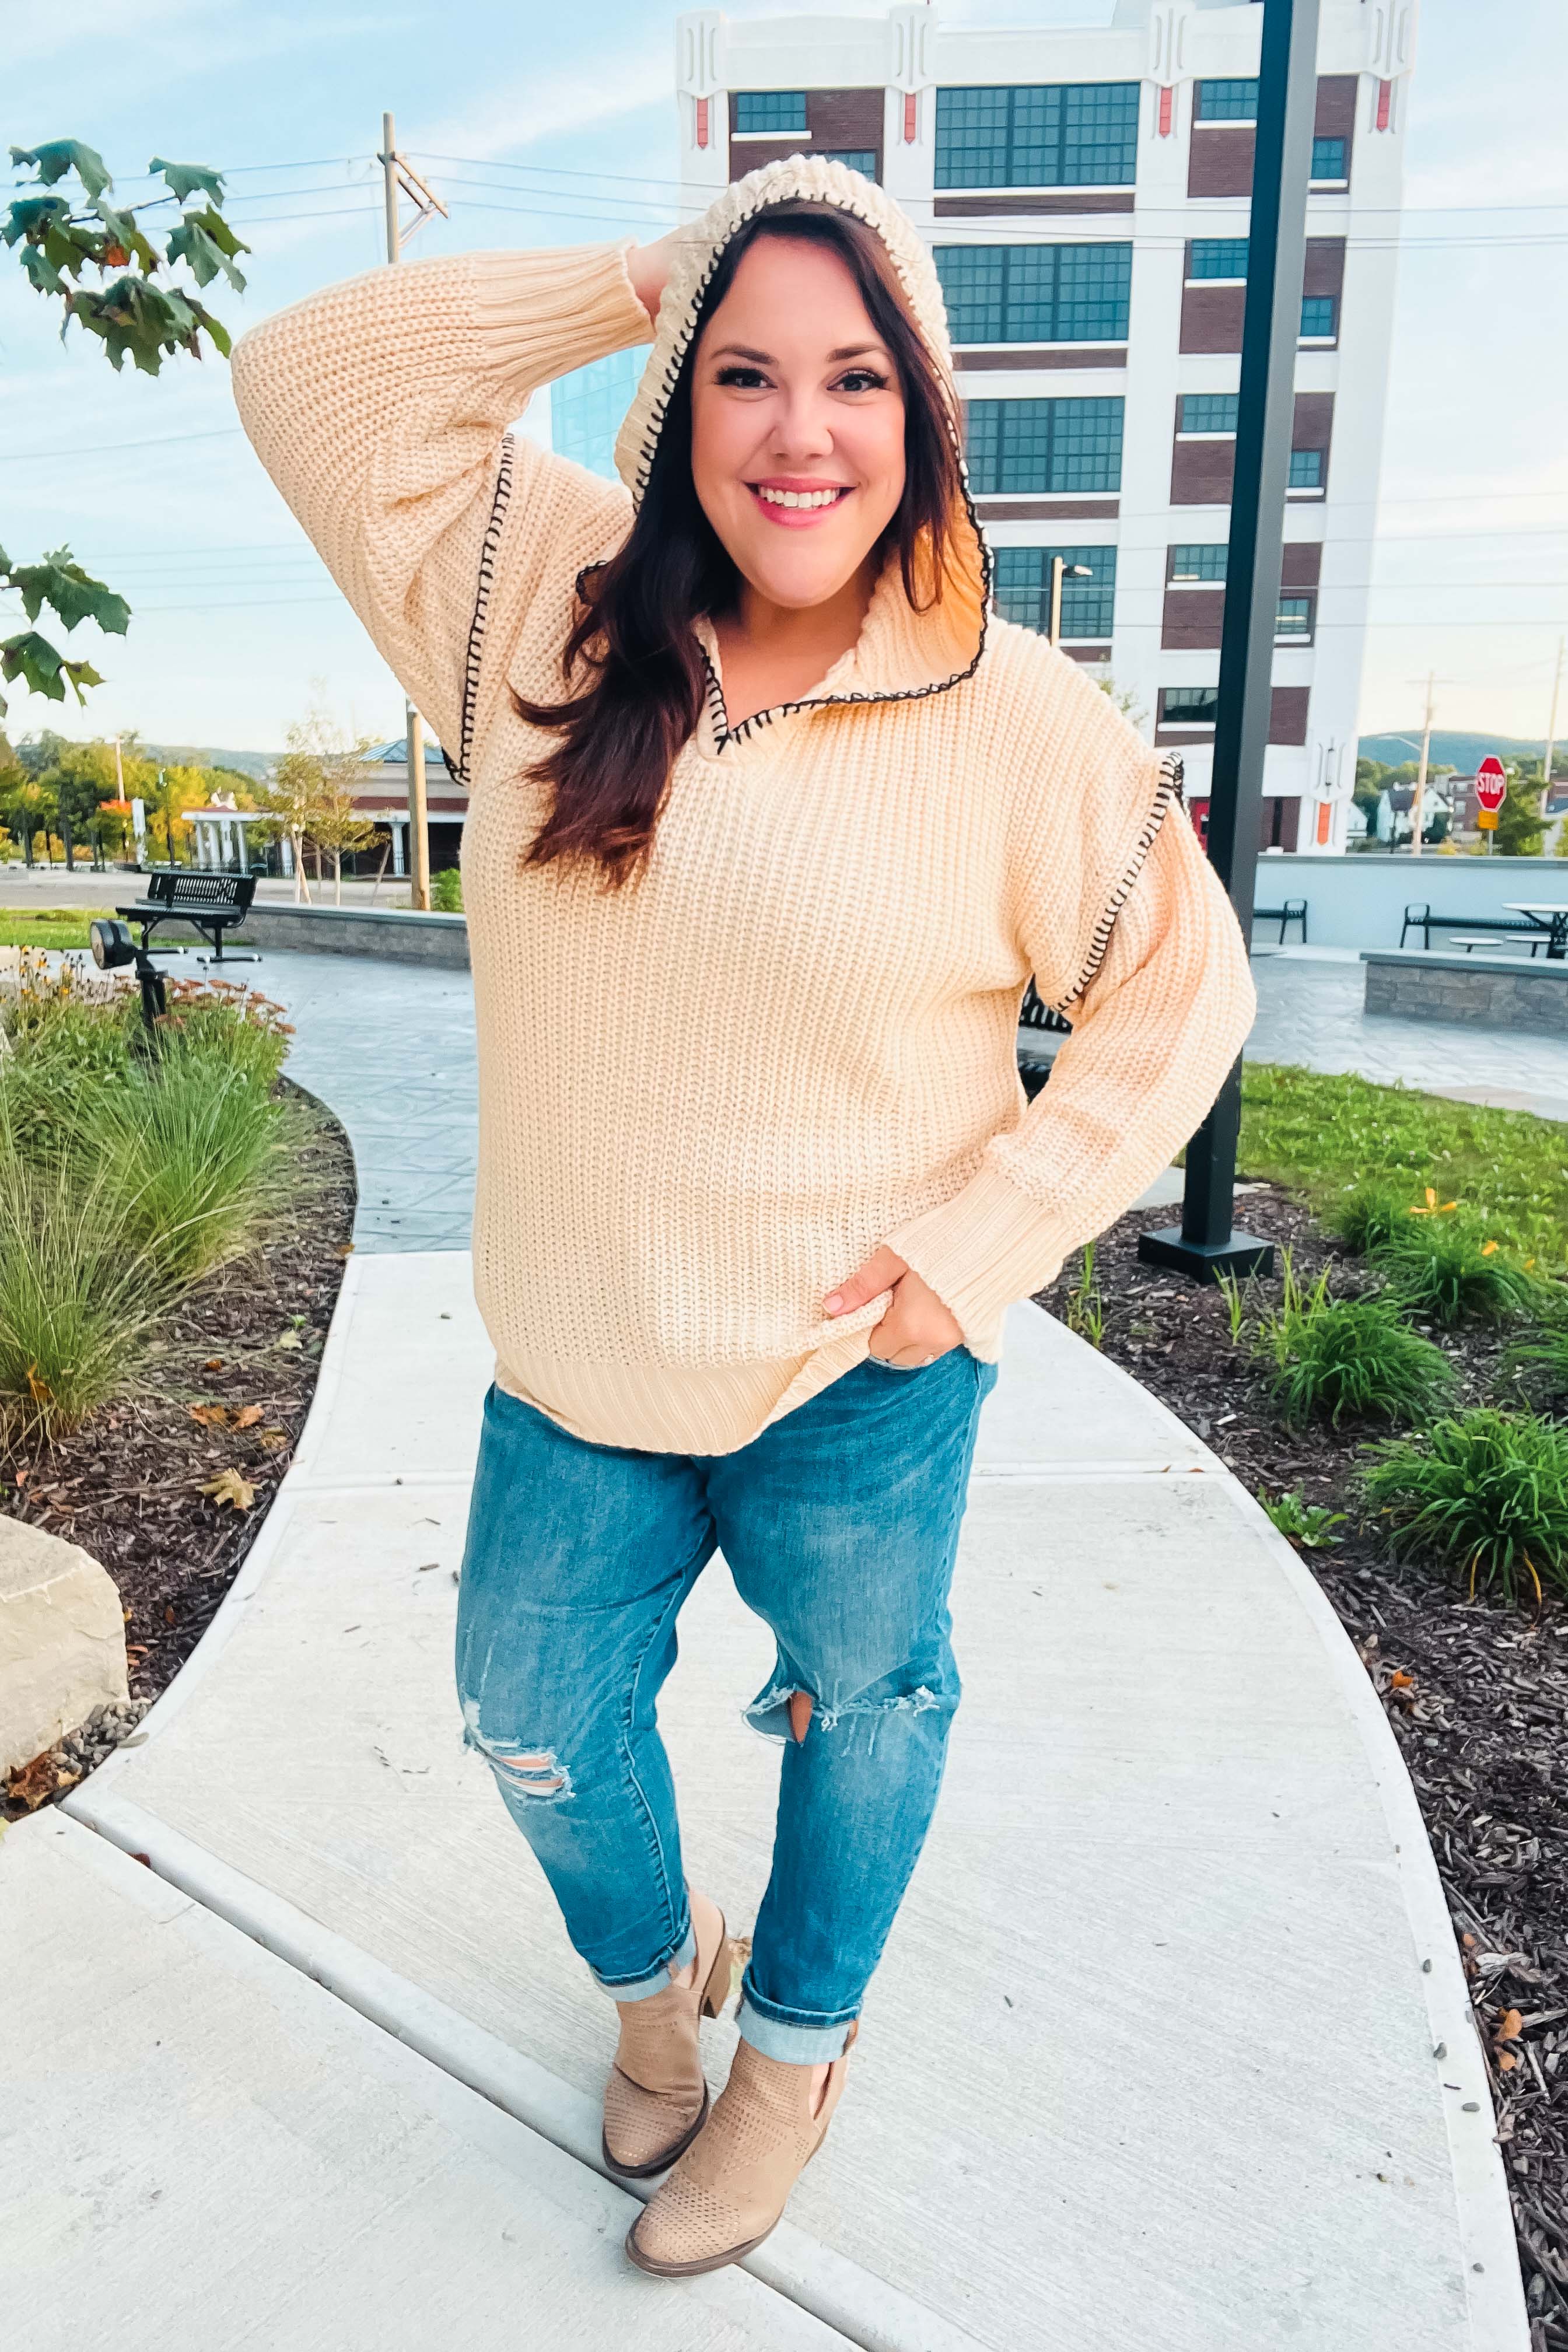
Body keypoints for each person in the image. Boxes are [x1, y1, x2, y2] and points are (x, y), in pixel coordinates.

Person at [232, 156, 1254, 2280]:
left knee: (868, 1707)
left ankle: (791, 2057)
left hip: (854, 1375)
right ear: (680, 397)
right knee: (525, 1707)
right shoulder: (545, 599)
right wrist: (642, 263)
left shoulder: (1021, 717)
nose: (805, 431)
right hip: (582, 1356)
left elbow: (1184, 995)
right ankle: (652, 1995)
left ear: (926, 412)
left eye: (860, 378)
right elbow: (309, 376)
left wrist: (979, 1255)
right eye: (748, 370)